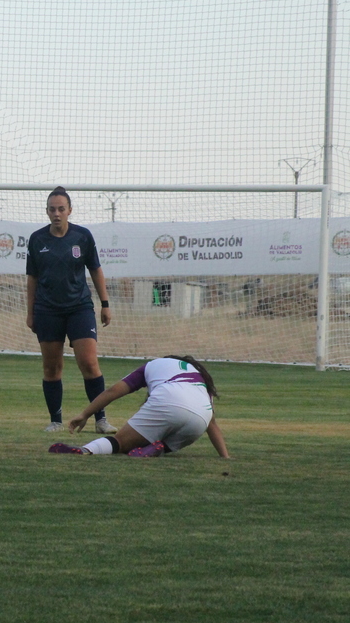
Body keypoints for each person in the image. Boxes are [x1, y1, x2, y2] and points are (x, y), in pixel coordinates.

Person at [26, 186, 118, 434]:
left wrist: (105, 304)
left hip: (79, 307)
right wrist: (30, 312)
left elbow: (96, 270)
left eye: (61, 209)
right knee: (52, 368)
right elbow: (32, 278)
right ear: (46, 212)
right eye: (52, 209)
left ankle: (100, 419)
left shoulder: (83, 236)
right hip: (47, 310)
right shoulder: (37, 239)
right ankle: (56, 420)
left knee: (89, 363)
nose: (57, 213)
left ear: (69, 210)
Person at [48, 355, 230, 458]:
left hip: (169, 399)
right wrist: (225, 457)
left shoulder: (153, 365)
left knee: (119, 442)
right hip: (201, 419)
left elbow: (113, 391)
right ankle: (156, 449)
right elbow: (212, 425)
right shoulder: (201, 381)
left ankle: (85, 450)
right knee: (160, 439)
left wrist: (85, 414)